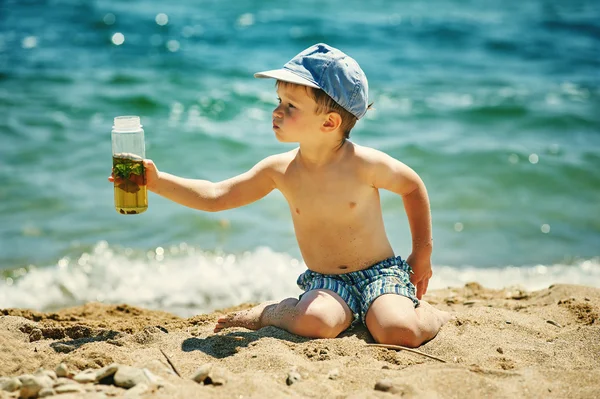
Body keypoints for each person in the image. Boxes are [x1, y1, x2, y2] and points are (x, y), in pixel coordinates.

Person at [109, 43, 451, 348]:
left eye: (291, 106)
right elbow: (216, 196)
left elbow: (412, 186)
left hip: (380, 273)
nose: (277, 111)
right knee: (315, 324)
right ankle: (269, 312)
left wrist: (422, 254)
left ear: (330, 122)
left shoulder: (365, 164)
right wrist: (155, 181)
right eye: (279, 101)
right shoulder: (280, 170)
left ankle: (429, 313)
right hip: (327, 280)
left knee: (397, 332)